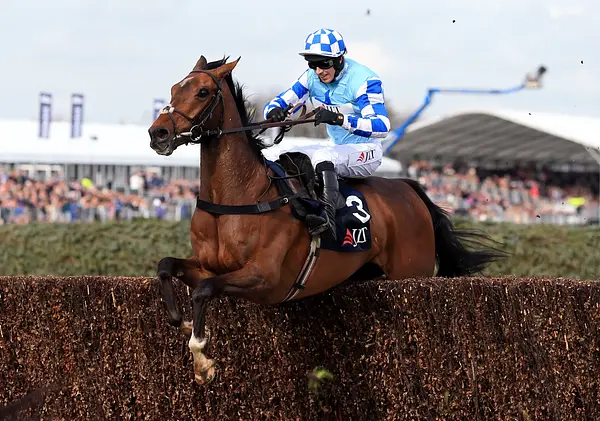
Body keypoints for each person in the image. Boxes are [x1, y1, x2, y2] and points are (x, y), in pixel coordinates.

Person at [263, 28, 391, 241]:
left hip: (366, 150)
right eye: (312, 64)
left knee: (324, 157)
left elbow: (381, 126)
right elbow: (278, 102)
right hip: (336, 146)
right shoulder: (311, 78)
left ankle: (327, 221)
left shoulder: (364, 80)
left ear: (340, 60)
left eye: (324, 64)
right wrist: (274, 111)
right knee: (280, 153)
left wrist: (340, 119)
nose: (319, 71)